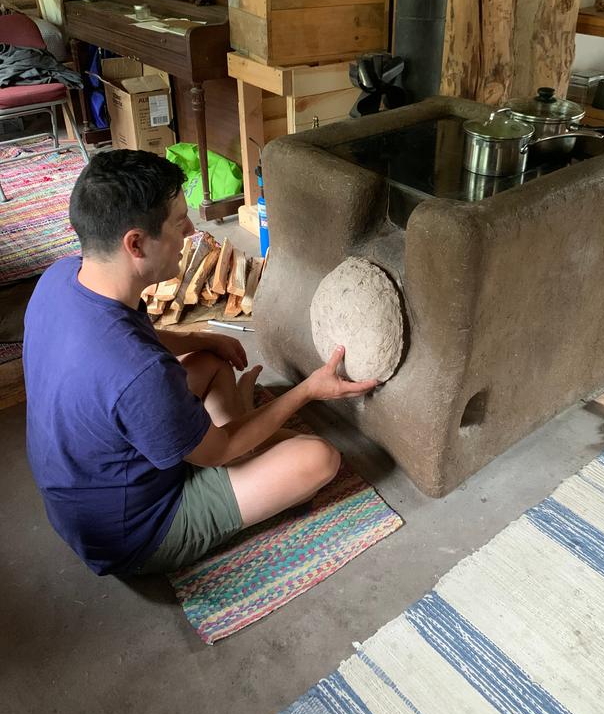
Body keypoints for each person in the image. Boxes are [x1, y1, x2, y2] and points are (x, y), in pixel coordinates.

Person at [23, 150, 377, 576]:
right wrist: (308, 390)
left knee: (210, 360)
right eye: (178, 223)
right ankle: (246, 441)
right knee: (318, 458)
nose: (192, 231)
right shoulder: (140, 375)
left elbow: (139, 334)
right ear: (135, 243)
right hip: (135, 532)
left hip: (86, 491)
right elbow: (217, 450)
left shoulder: (61, 277)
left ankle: (243, 434)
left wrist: (205, 337)